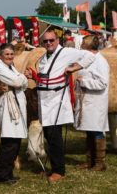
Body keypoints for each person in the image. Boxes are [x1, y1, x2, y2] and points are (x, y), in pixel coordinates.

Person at [22, 30, 93, 184]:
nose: (48, 43)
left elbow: (89, 56)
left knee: (55, 137)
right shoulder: (43, 58)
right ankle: (54, 167)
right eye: (45, 41)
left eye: (51, 40)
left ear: (57, 40)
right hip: (45, 99)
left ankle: (59, 171)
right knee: (48, 135)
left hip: (57, 101)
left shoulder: (66, 52)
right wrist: (33, 75)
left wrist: (74, 68)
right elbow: (46, 77)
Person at [69, 35, 110, 171]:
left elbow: (103, 83)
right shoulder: (86, 60)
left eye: (82, 46)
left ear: (87, 47)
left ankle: (99, 162)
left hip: (96, 101)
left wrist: (84, 82)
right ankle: (89, 160)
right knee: (89, 130)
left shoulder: (100, 62)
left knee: (97, 130)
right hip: (86, 100)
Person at [0, 44, 27, 185]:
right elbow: (18, 81)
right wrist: (20, 80)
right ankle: (0, 175)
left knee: (15, 142)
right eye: (7, 54)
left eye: (12, 54)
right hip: (7, 106)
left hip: (15, 103)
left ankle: (8, 173)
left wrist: (18, 82)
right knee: (9, 142)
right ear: (0, 55)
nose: (10, 57)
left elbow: (21, 83)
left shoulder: (11, 67)